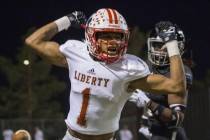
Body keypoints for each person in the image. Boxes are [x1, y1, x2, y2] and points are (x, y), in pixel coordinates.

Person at [25, 8, 186, 140]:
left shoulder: (129, 68)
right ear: (91, 35)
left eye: (118, 36)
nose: (113, 42)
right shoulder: (75, 53)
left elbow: (177, 87)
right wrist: (67, 20)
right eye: (106, 35)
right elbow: (33, 41)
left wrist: (172, 45)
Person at [129, 21, 193, 140]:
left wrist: (149, 103)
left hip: (168, 136)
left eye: (164, 46)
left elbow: (176, 119)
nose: (159, 50)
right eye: (156, 46)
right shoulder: (147, 66)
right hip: (147, 133)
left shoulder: (181, 72)